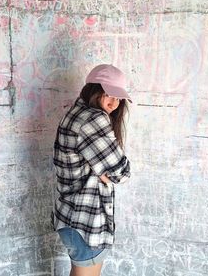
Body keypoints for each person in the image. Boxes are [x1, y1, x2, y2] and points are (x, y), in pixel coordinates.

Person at [51, 64, 132, 276]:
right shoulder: (93, 118)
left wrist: (103, 172)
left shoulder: (75, 112)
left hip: (71, 217)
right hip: (85, 222)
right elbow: (121, 172)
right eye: (109, 95)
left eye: (119, 99)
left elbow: (109, 170)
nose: (114, 104)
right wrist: (105, 174)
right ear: (94, 90)